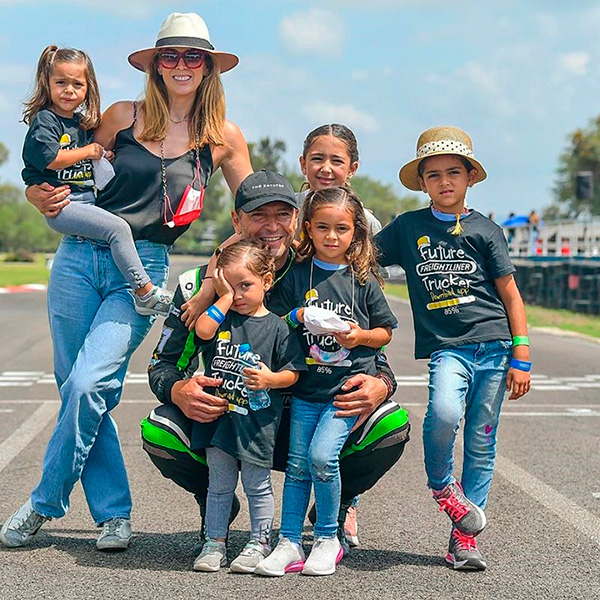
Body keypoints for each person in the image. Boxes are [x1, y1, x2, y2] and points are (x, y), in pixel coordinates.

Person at [0, 12, 252, 551]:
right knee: (78, 392)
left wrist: (226, 261)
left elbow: (254, 210)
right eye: (170, 56)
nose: (181, 65)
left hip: (141, 269)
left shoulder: (222, 136)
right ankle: (114, 514)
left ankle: (44, 502)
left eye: (193, 57)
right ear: (155, 66)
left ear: (208, 68)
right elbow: (59, 169)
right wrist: (33, 194)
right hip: (76, 258)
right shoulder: (119, 116)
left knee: (91, 383)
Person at [142, 170, 410, 567]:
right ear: (237, 221)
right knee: (158, 428)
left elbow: (372, 350)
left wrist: (381, 385)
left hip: (306, 414)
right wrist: (179, 390)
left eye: (282, 215)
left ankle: (333, 513)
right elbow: (162, 364)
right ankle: (214, 504)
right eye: (258, 215)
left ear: (296, 220)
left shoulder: (316, 271)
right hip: (233, 421)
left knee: (390, 423)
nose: (271, 226)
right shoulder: (197, 285)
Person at [375, 126, 531, 571]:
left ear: (470, 178)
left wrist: (522, 354)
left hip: (496, 348)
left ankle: (464, 539)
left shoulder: (486, 230)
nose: (445, 182)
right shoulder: (408, 228)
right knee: (443, 413)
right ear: (422, 182)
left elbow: (510, 294)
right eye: (434, 175)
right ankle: (442, 486)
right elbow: (361, 255)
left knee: (482, 443)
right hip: (450, 349)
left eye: (454, 173)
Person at [255, 185, 397, 577]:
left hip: (344, 392)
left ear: (356, 233)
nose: (332, 237)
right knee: (298, 466)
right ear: (308, 229)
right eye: (323, 227)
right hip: (304, 390)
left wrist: (359, 337)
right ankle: (288, 541)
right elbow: (275, 322)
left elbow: (385, 331)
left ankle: (326, 537)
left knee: (322, 457)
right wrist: (298, 316)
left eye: (341, 229)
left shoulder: (362, 280)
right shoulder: (299, 275)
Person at [21, 45, 173, 316]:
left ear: (88, 89)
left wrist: (104, 156)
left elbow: (90, 159)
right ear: (47, 83)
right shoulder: (46, 120)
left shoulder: (80, 124)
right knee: (117, 228)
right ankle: (145, 291)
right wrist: (89, 151)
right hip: (62, 204)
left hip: (84, 200)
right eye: (61, 82)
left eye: (77, 84)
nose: (69, 90)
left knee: (113, 229)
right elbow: (51, 158)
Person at [191, 240, 305, 573]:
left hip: (256, 424)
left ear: (267, 280)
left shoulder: (278, 328)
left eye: (246, 286)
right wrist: (222, 297)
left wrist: (271, 379)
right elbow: (202, 328)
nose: (238, 295)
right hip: (219, 423)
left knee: (257, 487)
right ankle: (215, 542)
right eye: (232, 287)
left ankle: (259, 541)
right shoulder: (222, 318)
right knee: (219, 487)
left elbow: (294, 373)